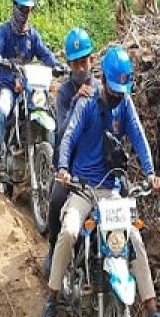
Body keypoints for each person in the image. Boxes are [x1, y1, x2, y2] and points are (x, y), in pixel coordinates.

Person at [40, 46, 160, 317]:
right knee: (69, 232)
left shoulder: (125, 103)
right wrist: (63, 168)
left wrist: (150, 173)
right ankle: (51, 300)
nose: (117, 95)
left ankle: (152, 312)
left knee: (135, 240)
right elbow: (69, 136)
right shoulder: (86, 103)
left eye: (121, 90)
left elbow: (138, 136)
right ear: (104, 80)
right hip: (84, 187)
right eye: (114, 90)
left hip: (112, 189)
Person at [0, 0, 65, 181]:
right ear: (14, 6)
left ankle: (54, 164)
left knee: (50, 113)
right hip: (8, 86)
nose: (24, 13)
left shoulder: (33, 36)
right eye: (22, 8)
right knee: (2, 111)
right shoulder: (4, 32)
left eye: (28, 9)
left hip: (30, 89)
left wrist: (55, 65)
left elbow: (45, 54)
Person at [42, 27, 99, 277]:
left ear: (92, 60)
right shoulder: (64, 93)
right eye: (75, 64)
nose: (81, 69)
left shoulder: (100, 89)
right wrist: (76, 100)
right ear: (69, 65)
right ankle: (54, 249)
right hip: (69, 164)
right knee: (56, 201)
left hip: (95, 164)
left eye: (84, 62)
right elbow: (62, 130)